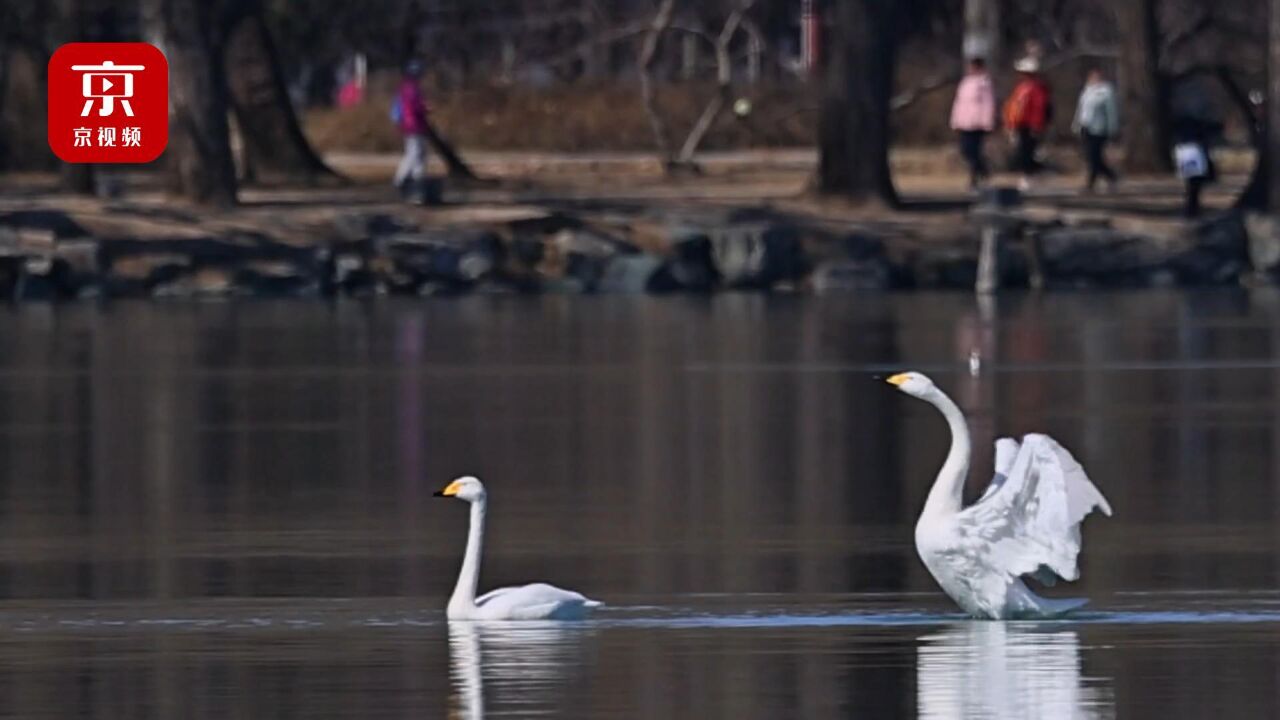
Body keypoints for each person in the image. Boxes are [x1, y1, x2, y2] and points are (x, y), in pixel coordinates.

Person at [1003, 57, 1052, 191]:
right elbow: (1012, 107)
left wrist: (1036, 126)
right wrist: (1010, 124)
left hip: (1030, 125)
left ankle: (1029, 176)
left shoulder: (1036, 89)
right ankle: (1032, 174)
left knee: (1027, 151)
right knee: (1023, 151)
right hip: (1020, 124)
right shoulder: (1021, 88)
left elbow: (1038, 108)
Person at [949, 57, 996, 189]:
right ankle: (983, 171)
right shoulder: (965, 82)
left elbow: (988, 103)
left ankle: (974, 179)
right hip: (964, 122)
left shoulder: (984, 82)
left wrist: (987, 121)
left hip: (977, 122)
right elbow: (959, 102)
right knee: (965, 150)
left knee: (974, 151)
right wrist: (955, 120)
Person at [1072, 68, 1119, 193]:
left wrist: (1112, 128)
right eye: (1092, 77)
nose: (1094, 79)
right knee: (1091, 157)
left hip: (1099, 128)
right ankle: (1109, 177)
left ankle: (1093, 182)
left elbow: (1111, 112)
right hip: (1086, 127)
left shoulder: (1106, 92)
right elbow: (1080, 110)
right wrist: (1076, 125)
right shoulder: (1086, 91)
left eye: (1097, 77)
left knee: (1094, 157)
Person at [393, 60, 431, 197]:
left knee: (418, 154)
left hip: (412, 125)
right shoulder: (411, 90)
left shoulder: (406, 89)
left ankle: (417, 180)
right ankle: (401, 180)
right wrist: (425, 107)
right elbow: (415, 107)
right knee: (414, 154)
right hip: (414, 125)